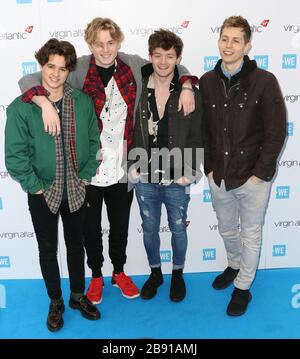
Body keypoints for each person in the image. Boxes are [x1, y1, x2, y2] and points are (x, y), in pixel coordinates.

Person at [18, 18, 197, 305]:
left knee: (120, 225)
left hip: (124, 166)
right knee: (90, 228)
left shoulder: (132, 65)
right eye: (99, 43)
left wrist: (187, 86)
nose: (105, 49)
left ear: (118, 42)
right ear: (90, 44)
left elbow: (174, 66)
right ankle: (97, 275)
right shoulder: (78, 69)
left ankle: (119, 272)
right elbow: (29, 80)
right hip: (88, 168)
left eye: (110, 42)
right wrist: (42, 103)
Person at [5, 39, 101, 332]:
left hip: (76, 188)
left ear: (69, 70)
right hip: (43, 191)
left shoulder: (82, 101)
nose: (56, 74)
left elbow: (94, 142)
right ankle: (56, 302)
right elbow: (15, 155)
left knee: (76, 246)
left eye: (62, 68)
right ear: (41, 65)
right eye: (50, 67)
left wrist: (85, 175)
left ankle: (76, 295)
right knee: (47, 249)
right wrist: (34, 187)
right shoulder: (22, 108)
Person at [199, 16, 286, 316]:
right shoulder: (206, 82)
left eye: (236, 40)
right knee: (226, 229)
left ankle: (243, 287)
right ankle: (234, 265)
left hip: (252, 178)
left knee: (250, 232)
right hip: (219, 176)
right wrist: (209, 168)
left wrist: (260, 174)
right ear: (218, 40)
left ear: (247, 45)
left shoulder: (265, 81)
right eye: (225, 38)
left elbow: (276, 131)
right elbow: (203, 130)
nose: (229, 45)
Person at [129, 29, 203, 302]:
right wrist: (131, 164)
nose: (162, 62)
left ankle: (178, 274)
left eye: (169, 56)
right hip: (145, 175)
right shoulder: (137, 84)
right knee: (149, 229)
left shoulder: (189, 90)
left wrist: (192, 171)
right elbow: (126, 125)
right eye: (157, 56)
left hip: (176, 177)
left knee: (178, 228)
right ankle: (156, 273)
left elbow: (197, 133)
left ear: (178, 58)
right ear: (150, 56)